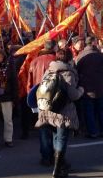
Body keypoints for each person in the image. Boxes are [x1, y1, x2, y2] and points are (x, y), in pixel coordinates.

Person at [36, 48, 84, 178]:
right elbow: (73, 95)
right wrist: (81, 90)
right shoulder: (68, 72)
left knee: (55, 137)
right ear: (69, 59)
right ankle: (57, 169)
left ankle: (60, 163)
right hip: (63, 111)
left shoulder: (49, 69)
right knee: (62, 138)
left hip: (48, 109)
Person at [27, 40, 58, 166]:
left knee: (44, 129)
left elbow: (29, 84)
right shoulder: (57, 61)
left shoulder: (35, 61)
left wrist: (32, 99)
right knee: (56, 129)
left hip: (41, 98)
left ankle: (46, 157)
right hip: (56, 98)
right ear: (54, 47)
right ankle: (57, 157)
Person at [75, 36, 103, 138]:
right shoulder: (101, 55)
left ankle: (93, 132)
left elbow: (76, 71)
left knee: (89, 111)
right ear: (94, 43)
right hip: (100, 88)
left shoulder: (81, 56)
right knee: (101, 110)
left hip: (87, 89)